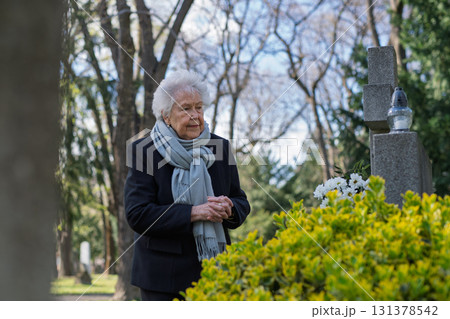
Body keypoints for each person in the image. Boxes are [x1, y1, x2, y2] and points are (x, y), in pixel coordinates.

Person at [124, 70, 251, 301]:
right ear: (166, 116)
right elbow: (138, 214)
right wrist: (194, 213)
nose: (195, 115)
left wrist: (230, 207)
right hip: (162, 278)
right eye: (185, 108)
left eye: (199, 107)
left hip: (215, 273)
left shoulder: (220, 148)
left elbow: (241, 200)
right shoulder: (144, 151)